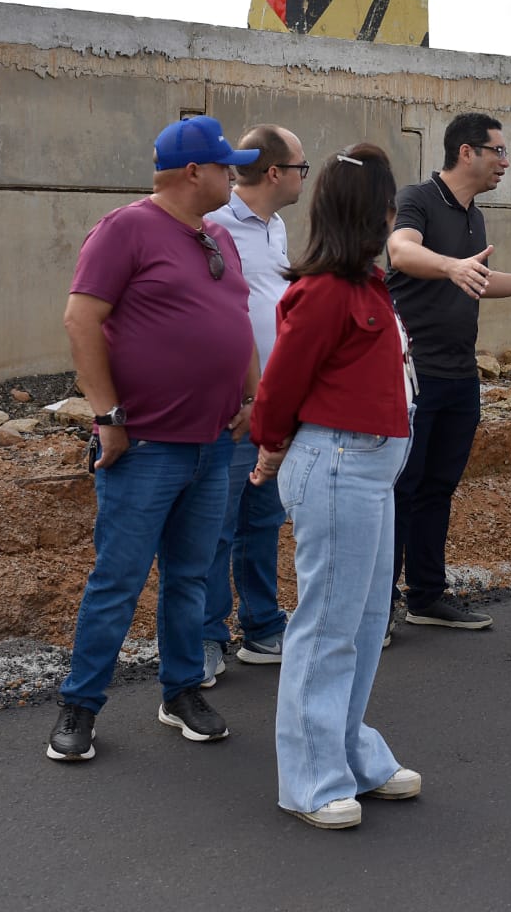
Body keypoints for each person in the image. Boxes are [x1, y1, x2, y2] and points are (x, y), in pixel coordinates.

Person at [46, 115, 260, 762]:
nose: (235, 174)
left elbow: (236, 320)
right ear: (194, 171)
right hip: (145, 447)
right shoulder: (126, 229)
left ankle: (182, 691)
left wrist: (251, 397)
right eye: (226, 165)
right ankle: (79, 708)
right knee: (118, 578)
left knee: (191, 577)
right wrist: (107, 417)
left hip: (213, 443)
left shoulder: (219, 235)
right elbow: (81, 318)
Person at [250, 145, 420, 830]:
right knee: (327, 626)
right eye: (389, 206)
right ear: (371, 214)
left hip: (370, 471)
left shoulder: (366, 287)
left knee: (363, 622)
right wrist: (269, 449)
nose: (394, 217)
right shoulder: (323, 293)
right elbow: (278, 392)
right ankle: (312, 778)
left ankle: (350, 751)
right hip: (339, 466)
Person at [386, 113, 511, 634]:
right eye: (498, 150)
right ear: (467, 152)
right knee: (402, 490)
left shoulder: (475, 216)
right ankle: (377, 610)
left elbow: (479, 279)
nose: (506, 161)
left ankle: (426, 598)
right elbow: (400, 251)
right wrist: (450, 265)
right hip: (412, 377)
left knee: (439, 489)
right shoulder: (419, 197)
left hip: (459, 375)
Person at [201, 124, 307, 684]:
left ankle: (262, 627)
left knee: (264, 518)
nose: (302, 178)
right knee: (216, 524)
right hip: (232, 404)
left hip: (272, 401)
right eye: (299, 169)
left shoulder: (277, 225)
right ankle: (207, 636)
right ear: (275, 173)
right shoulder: (214, 223)